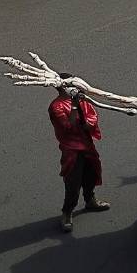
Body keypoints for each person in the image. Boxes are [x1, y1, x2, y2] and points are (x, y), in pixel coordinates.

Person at [47, 77, 111, 232]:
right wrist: (75, 106)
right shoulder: (56, 107)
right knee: (73, 184)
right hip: (71, 151)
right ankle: (67, 213)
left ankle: (90, 200)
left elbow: (92, 119)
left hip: (87, 146)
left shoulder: (82, 101)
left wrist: (86, 121)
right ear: (61, 88)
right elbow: (69, 127)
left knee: (92, 174)